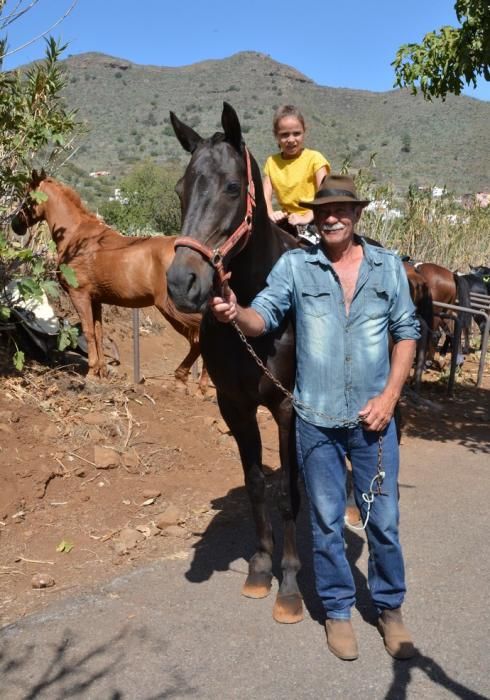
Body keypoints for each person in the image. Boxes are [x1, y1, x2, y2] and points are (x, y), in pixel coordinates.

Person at [211, 174, 420, 662]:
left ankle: (390, 611)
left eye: (341, 210)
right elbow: (262, 316)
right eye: (324, 211)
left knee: (383, 521)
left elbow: (406, 333)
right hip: (317, 422)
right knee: (326, 522)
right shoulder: (296, 266)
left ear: (357, 215)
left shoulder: (386, 267)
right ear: (314, 217)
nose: (331, 218)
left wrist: (390, 396)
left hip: (374, 421)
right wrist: (233, 312)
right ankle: (339, 612)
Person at [263, 105, 330, 239]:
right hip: (286, 222)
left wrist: (306, 217)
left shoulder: (315, 159)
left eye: (296, 133)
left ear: (304, 131)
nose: (291, 140)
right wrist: (271, 213)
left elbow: (326, 196)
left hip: (314, 220)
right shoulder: (271, 162)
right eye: (284, 135)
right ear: (276, 136)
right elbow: (265, 197)